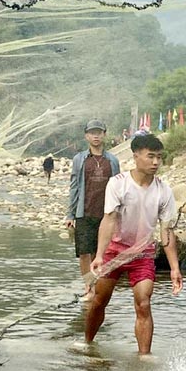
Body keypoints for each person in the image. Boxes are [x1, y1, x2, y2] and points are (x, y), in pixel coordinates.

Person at [84, 132, 183, 355]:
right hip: (114, 253)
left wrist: (175, 268)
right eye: (150, 156)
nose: (156, 162)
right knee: (100, 300)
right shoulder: (118, 184)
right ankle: (87, 343)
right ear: (136, 156)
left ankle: (144, 357)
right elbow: (108, 220)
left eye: (159, 157)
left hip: (143, 255)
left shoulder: (163, 190)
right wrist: (99, 255)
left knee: (144, 303)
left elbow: (166, 230)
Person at [66, 120, 120, 282]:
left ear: (104, 134)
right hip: (84, 212)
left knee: (103, 252)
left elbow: (119, 188)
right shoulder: (80, 159)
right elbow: (74, 186)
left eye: (99, 132)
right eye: (92, 133)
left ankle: (101, 284)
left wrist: (121, 214)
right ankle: (88, 286)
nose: (96, 136)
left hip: (106, 214)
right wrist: (70, 214)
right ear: (86, 136)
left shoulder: (112, 160)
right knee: (84, 253)